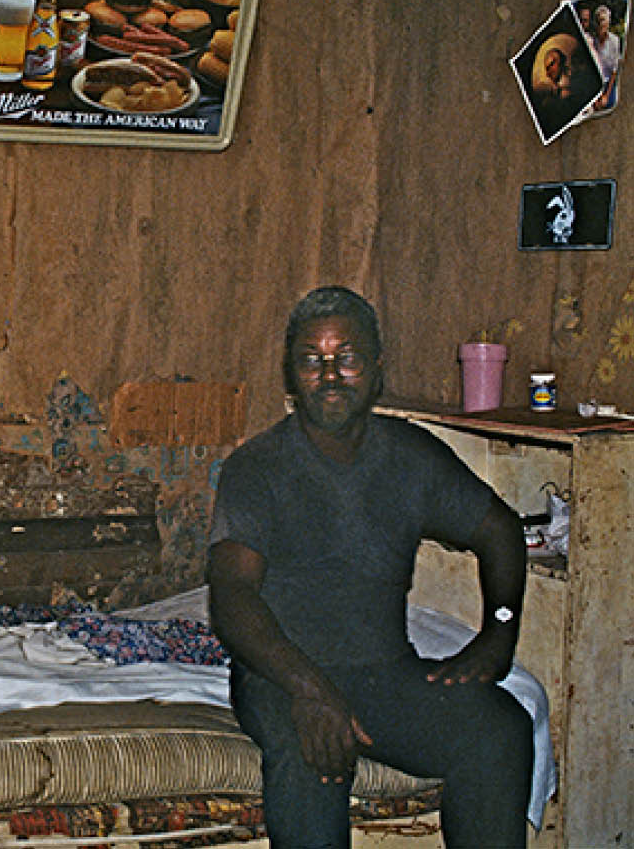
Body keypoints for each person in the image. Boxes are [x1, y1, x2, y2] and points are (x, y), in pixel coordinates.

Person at [206, 286, 533, 848]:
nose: (330, 375)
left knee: (500, 728)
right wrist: (310, 689)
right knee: (316, 756)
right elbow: (233, 595)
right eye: (312, 360)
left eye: (347, 358)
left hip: (384, 673)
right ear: (293, 374)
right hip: (282, 675)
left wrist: (498, 636)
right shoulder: (257, 468)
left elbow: (501, 530)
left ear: (376, 368)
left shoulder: (409, 456)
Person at [590, 5, 623, 110]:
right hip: (594, 83)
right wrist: (596, 97)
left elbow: (614, 70)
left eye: (603, 20)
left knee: (610, 104)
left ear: (608, 22)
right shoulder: (592, 41)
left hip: (609, 83)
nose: (601, 24)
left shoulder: (614, 41)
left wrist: (606, 96)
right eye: (599, 20)